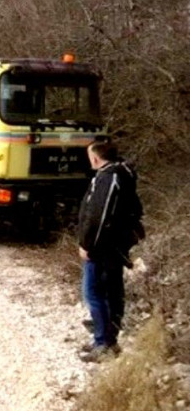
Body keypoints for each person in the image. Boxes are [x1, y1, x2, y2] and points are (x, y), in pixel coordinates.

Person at [77, 140, 144, 363]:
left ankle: (103, 343)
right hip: (114, 245)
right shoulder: (122, 173)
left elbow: (99, 216)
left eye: (90, 156)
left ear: (95, 158)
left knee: (94, 293)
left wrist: (87, 245)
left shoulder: (109, 177)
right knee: (112, 292)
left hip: (103, 247)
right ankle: (108, 339)